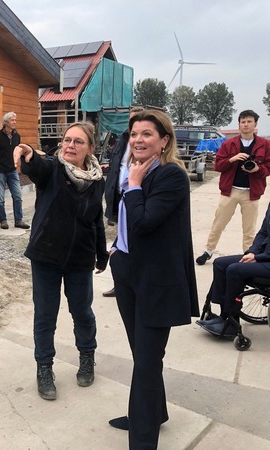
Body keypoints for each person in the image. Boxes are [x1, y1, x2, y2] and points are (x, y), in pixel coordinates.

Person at [107, 110, 199, 449]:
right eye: (134, 134)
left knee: (147, 362)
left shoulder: (170, 176)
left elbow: (144, 222)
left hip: (156, 281)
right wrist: (116, 249)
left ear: (164, 141)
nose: (138, 140)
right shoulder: (135, 170)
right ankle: (154, 413)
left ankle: (143, 439)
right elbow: (124, 219)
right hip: (127, 271)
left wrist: (133, 185)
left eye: (147, 134)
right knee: (142, 354)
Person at [13, 122, 108, 401]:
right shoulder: (53, 168)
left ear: (90, 148)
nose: (70, 145)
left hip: (80, 257)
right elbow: (36, 166)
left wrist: (101, 253)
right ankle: (44, 368)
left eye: (78, 141)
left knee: (82, 312)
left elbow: (96, 220)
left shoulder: (97, 180)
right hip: (46, 256)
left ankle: (87, 356)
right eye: (67, 140)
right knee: (45, 315)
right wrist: (28, 152)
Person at [196, 110, 270, 265]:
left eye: (249, 121)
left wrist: (258, 169)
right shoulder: (229, 144)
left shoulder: (265, 144)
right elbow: (218, 166)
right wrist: (232, 159)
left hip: (251, 193)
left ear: (255, 124)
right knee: (218, 223)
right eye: (243, 122)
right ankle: (208, 250)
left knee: (249, 229)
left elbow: (268, 167)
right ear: (239, 125)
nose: (246, 125)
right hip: (230, 191)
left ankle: (247, 256)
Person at [197, 202, 270, 336]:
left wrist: (259, 258)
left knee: (235, 270)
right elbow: (263, 232)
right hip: (263, 255)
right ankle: (223, 316)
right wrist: (253, 252)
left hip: (266, 259)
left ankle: (232, 324)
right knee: (220, 264)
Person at [102, 106, 145, 298]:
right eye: (131, 120)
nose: (133, 123)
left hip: (136, 195)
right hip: (119, 193)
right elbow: (116, 165)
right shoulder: (122, 139)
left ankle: (132, 282)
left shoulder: (143, 145)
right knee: (121, 239)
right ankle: (120, 283)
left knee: (131, 240)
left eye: (137, 119)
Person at [0, 112, 30, 230]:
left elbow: (17, 151)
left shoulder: (17, 136)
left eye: (15, 120)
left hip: (12, 171)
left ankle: (19, 220)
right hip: (0, 171)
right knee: (0, 198)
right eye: (12, 120)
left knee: (17, 196)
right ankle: (3, 220)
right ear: (6, 122)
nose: (15, 122)